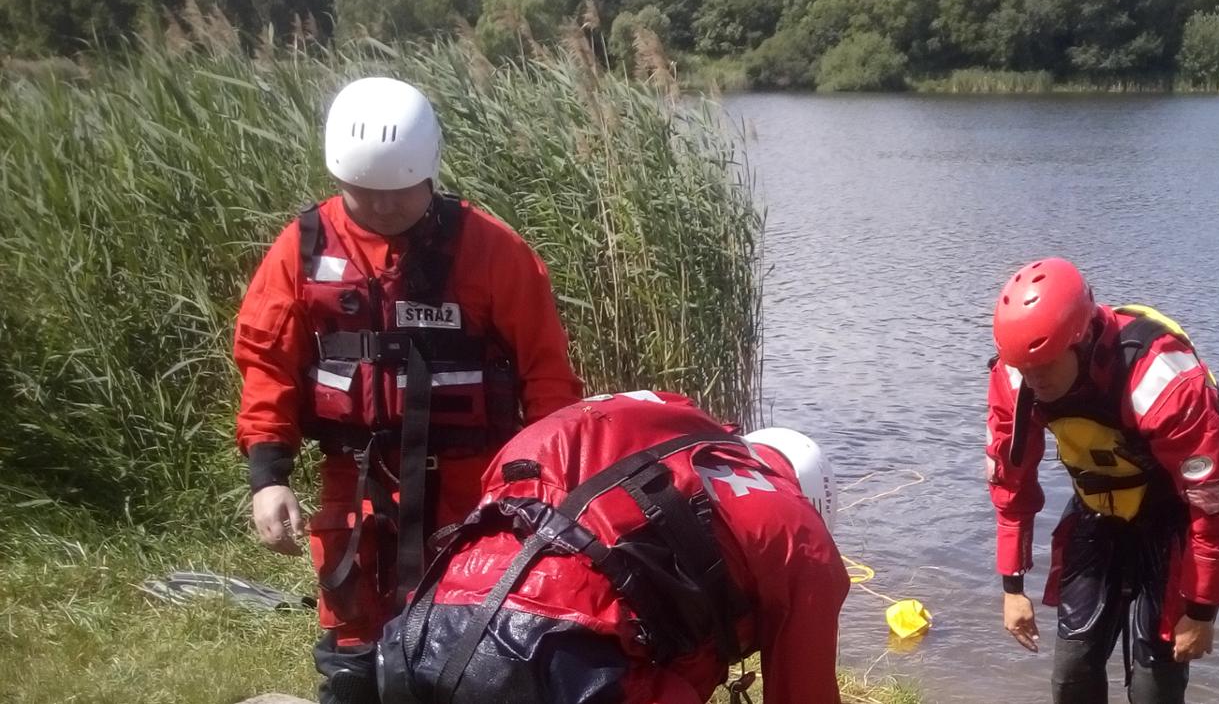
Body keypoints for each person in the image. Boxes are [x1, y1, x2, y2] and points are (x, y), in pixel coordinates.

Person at [231, 76, 583, 704]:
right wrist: (269, 476)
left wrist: (547, 489)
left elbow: (548, 375)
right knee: (354, 652)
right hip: (359, 478)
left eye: (398, 194)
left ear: (429, 172)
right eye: (364, 194)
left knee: (476, 641)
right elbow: (267, 364)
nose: (383, 209)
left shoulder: (493, 251)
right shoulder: (303, 249)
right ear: (340, 176)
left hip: (474, 484)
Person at [375, 389, 848, 704]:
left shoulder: (673, 438)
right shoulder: (802, 536)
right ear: (808, 494)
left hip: (417, 636)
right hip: (555, 663)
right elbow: (805, 694)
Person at [985, 257, 1219, 704]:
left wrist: (1203, 611)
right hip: (1097, 508)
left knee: (1155, 687)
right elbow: (1010, 486)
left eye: (1045, 365)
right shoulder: (1017, 374)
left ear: (1083, 340)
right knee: (1072, 672)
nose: (1033, 379)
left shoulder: (1160, 383)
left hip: (1173, 520)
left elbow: (1217, 511)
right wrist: (1012, 587)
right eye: (1024, 367)